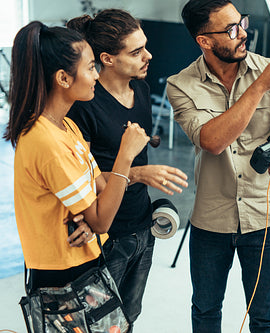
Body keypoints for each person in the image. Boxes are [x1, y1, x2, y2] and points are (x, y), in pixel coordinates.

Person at [167, 1, 270, 332]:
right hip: (211, 219)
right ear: (204, 40)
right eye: (231, 29)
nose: (243, 33)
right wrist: (261, 85)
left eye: (242, 22)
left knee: (265, 317)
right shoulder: (181, 85)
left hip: (265, 217)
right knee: (205, 310)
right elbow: (212, 140)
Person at [66, 9, 188, 329]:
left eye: (145, 46)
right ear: (107, 58)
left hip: (141, 226)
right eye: (136, 52)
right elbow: (78, 179)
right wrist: (136, 173)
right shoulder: (83, 106)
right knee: (95, 324)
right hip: (103, 235)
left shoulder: (142, 91)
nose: (148, 56)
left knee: (128, 319)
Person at [3, 21, 149, 290]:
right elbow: (102, 220)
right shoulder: (45, 141)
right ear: (63, 78)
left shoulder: (66, 126)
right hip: (60, 271)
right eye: (91, 67)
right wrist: (125, 156)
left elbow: (101, 187)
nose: (96, 76)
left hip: (85, 258)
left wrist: (90, 214)